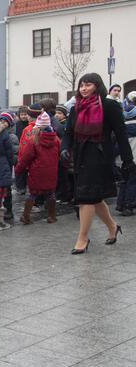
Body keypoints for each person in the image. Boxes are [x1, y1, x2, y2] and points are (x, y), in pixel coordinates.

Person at [62, 73, 135, 254]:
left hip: (99, 156)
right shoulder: (76, 108)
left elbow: (120, 134)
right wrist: (64, 148)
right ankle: (112, 226)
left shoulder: (110, 106)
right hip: (80, 156)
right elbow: (69, 133)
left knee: (85, 197)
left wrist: (128, 160)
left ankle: (82, 238)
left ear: (97, 86)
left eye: (88, 85)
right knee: (94, 197)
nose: (84, 89)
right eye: (81, 85)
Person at [16, 112, 60, 224]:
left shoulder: (34, 140)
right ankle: (51, 216)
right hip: (51, 172)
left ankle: (26, 216)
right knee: (50, 193)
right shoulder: (56, 140)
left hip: (36, 172)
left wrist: (18, 169)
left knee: (33, 194)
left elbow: (26, 158)